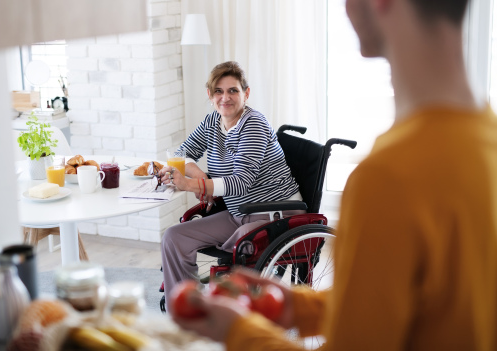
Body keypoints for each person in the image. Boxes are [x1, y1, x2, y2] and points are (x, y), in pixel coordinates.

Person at [173, 0, 497, 350]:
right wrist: (298, 306)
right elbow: (420, 309)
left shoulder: (387, 179)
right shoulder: (483, 143)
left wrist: (239, 331)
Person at [158, 61, 304, 309]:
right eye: (218, 91)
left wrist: (192, 185)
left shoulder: (253, 124)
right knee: (174, 237)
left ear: (246, 94)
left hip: (275, 213)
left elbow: (240, 183)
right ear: (210, 95)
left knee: (236, 248)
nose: (225, 97)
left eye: (233, 90)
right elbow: (183, 152)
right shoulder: (212, 121)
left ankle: (225, 307)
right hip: (239, 213)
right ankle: (184, 309)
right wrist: (201, 177)